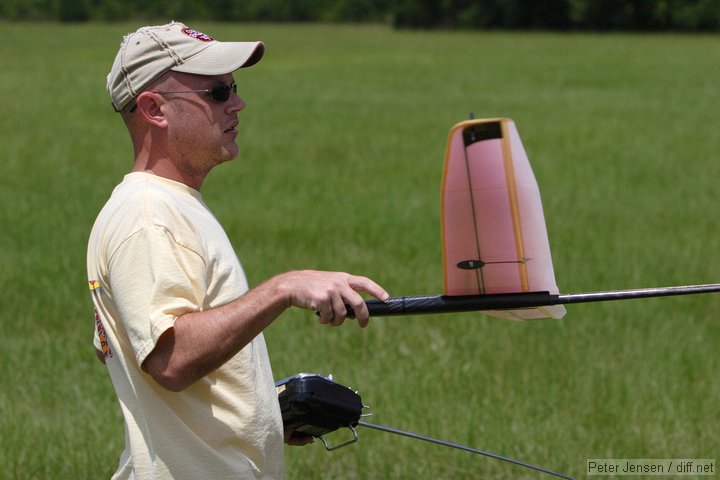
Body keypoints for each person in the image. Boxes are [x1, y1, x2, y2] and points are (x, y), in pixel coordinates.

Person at [87, 22, 389, 480]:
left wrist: (259, 411)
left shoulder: (168, 206)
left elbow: (130, 349)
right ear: (154, 109)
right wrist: (284, 288)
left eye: (233, 87)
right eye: (217, 92)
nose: (237, 103)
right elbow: (169, 359)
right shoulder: (148, 216)